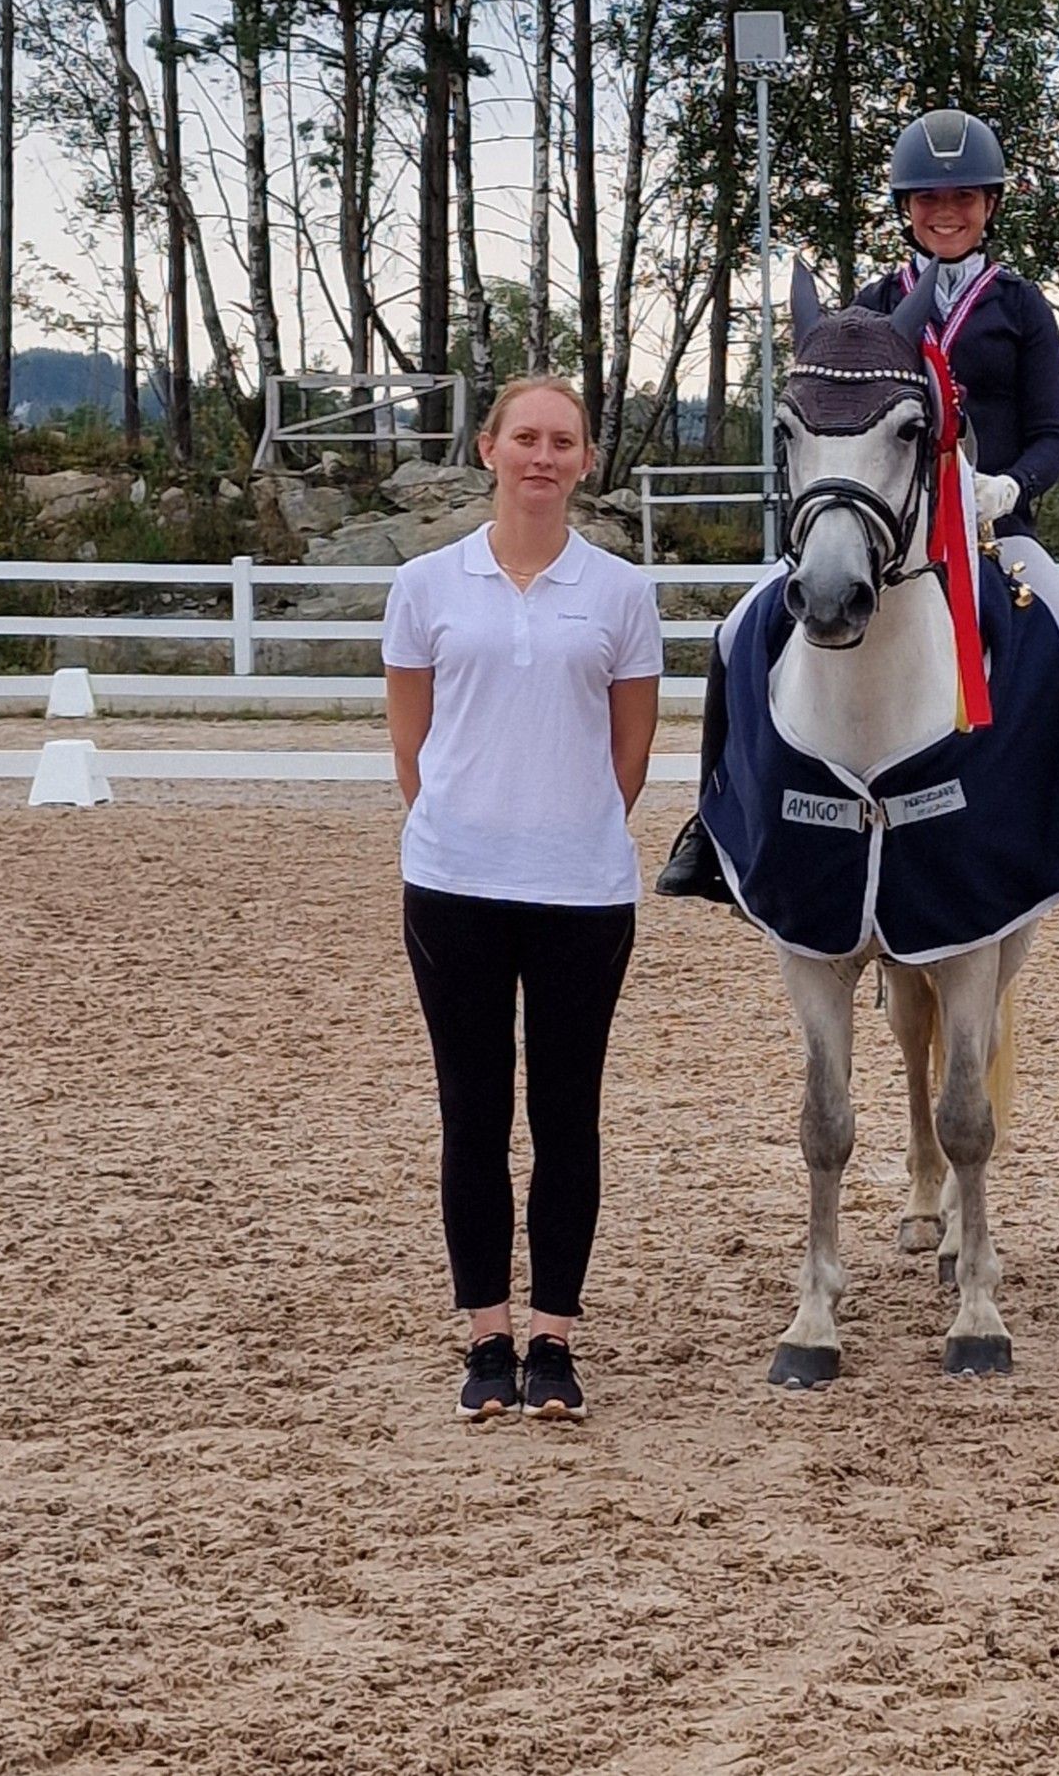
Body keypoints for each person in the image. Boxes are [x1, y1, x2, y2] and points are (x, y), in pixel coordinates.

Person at [657, 106, 1059, 915]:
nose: (946, 212)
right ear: (906, 208)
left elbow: (1053, 435)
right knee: (735, 633)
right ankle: (710, 823)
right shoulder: (872, 303)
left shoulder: (1021, 308)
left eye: (964, 197)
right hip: (877, 537)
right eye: (929, 198)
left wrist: (1008, 488)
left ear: (990, 205)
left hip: (991, 536)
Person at [382, 377, 663, 1423]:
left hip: (580, 890)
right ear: (490, 448)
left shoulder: (620, 593)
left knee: (566, 1114)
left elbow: (629, 751)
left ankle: (554, 1337)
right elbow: (413, 743)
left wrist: (566, 825)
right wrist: (470, 822)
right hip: (454, 883)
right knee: (473, 1112)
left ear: (584, 460)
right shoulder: (425, 585)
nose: (543, 457)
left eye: (563, 442)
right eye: (526, 438)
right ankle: (486, 1335)